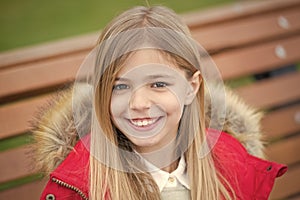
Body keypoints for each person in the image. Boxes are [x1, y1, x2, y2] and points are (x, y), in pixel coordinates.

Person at [32, 6, 287, 200]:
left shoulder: (229, 163)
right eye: (120, 86)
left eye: (158, 84)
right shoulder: (81, 183)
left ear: (191, 88)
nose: (139, 103)